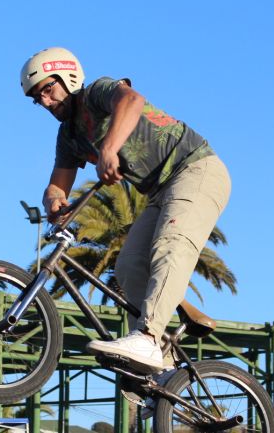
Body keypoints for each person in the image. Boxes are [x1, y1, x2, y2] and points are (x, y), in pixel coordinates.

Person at [22, 47, 231, 375]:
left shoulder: (97, 92)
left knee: (169, 245)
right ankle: (162, 373)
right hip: (159, 193)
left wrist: (107, 147)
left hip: (196, 170)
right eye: (38, 98)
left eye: (48, 89)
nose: (45, 102)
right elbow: (57, 184)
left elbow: (131, 101)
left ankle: (147, 336)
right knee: (130, 266)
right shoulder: (70, 135)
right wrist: (53, 201)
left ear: (68, 77)